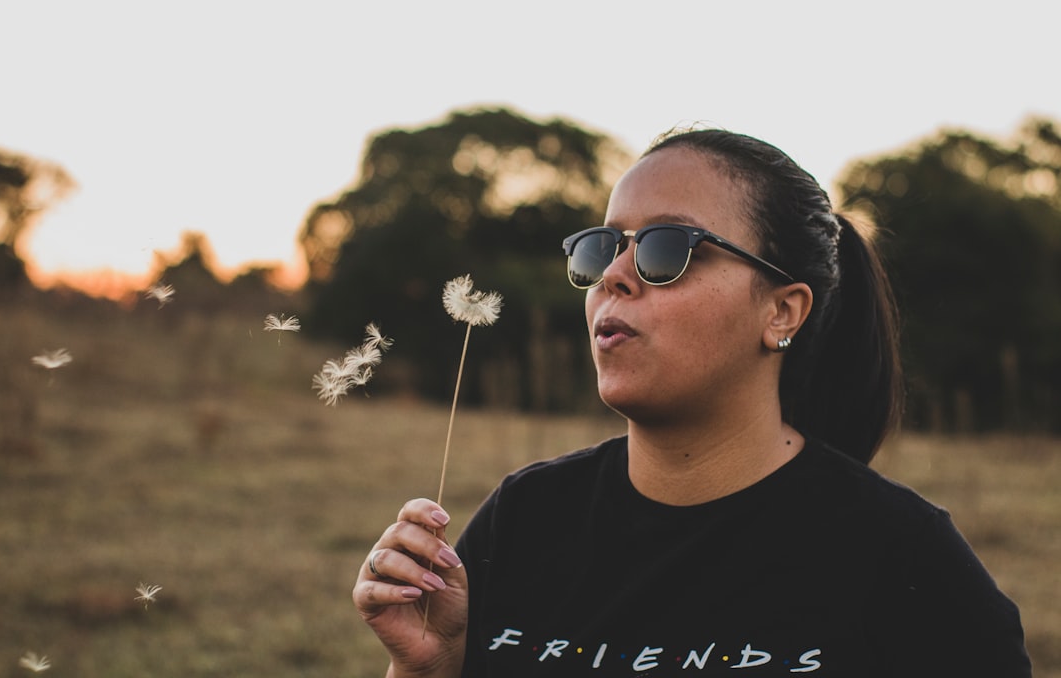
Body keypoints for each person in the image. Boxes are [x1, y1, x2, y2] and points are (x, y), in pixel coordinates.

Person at [352, 127, 1032, 677]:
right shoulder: (524, 521)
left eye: (666, 249)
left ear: (782, 312)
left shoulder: (903, 560)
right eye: (603, 249)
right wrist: (429, 669)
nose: (615, 276)